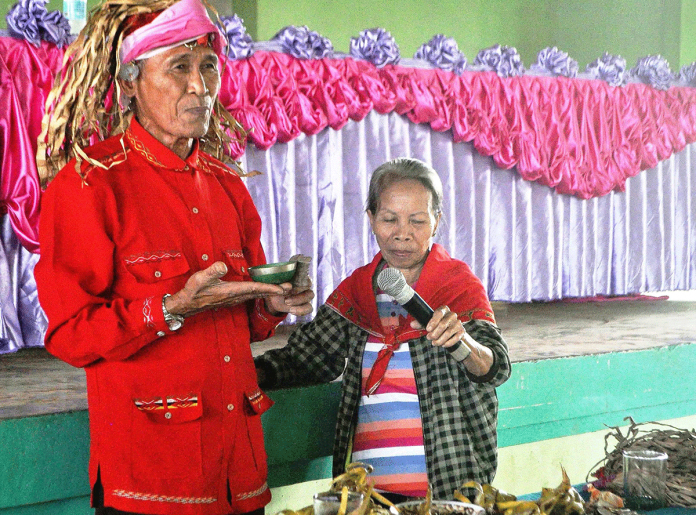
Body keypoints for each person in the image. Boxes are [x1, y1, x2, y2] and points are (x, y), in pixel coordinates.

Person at [33, 0, 314, 514]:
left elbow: (243, 323)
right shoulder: (90, 183)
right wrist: (169, 309)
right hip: (151, 481)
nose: (200, 86)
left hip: (239, 473)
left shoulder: (228, 182)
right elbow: (69, 334)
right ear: (129, 84)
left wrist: (273, 304)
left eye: (208, 66)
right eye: (179, 68)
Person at [255, 158, 511, 501]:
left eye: (417, 221)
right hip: (369, 495)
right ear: (371, 219)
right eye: (389, 219)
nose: (402, 233)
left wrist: (462, 341)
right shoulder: (357, 291)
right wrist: (241, 373)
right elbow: (307, 359)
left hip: (450, 490)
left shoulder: (458, 287)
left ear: (436, 222)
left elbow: (496, 368)